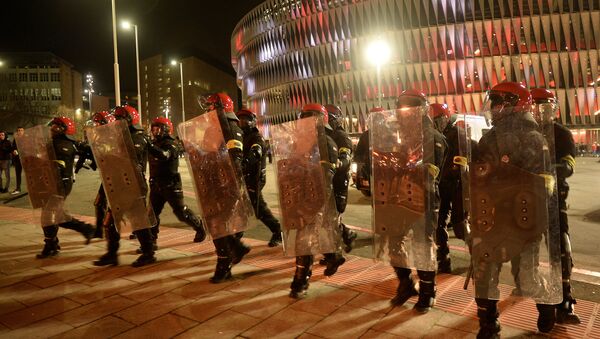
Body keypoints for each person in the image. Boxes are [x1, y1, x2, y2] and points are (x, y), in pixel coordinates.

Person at [471, 82, 558, 337]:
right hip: (493, 219)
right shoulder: (489, 139)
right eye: (494, 102)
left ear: (514, 105)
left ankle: (547, 304)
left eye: (498, 102)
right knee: (485, 275)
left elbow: (541, 185)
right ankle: (488, 324)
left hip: (523, 222)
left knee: (527, 280)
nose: (494, 108)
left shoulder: (533, 138)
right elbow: (479, 175)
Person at [377, 90, 446, 313]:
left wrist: (409, 168)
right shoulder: (399, 135)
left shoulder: (431, 136)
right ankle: (405, 283)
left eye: (408, 110)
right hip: (398, 196)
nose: (403, 115)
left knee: (422, 246)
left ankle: (428, 292)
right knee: (394, 240)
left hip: (422, 198)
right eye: (401, 110)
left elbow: (431, 171)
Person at [531, 88, 580, 324]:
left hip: (553, 197)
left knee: (560, 248)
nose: (541, 114)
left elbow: (568, 165)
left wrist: (549, 173)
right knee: (524, 250)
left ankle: (565, 297)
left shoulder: (561, 134)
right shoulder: (523, 134)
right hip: (525, 199)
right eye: (536, 108)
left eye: (546, 108)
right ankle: (530, 286)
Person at [289, 103, 344, 298]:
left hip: (316, 199)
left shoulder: (326, 142)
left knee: (304, 239)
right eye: (304, 117)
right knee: (311, 236)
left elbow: (325, 177)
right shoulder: (300, 142)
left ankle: (300, 281)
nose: (307, 121)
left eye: (311, 117)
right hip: (301, 196)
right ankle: (333, 256)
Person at [93, 105, 157, 267]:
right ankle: (111, 254)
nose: (116, 121)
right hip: (119, 183)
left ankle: (149, 253)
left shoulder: (138, 137)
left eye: (119, 118)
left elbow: (129, 160)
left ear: (129, 120)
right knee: (110, 221)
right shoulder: (119, 137)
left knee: (138, 221)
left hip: (133, 184)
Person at [202, 93, 251, 283]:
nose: (207, 110)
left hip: (226, 185)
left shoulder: (232, 128)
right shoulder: (211, 129)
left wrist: (230, 183)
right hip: (213, 184)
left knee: (218, 225)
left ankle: (224, 265)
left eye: (211, 107)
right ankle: (236, 249)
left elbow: (235, 158)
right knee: (216, 223)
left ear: (221, 108)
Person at [36, 117, 95, 258]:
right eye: (53, 126)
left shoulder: (72, 144)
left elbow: (91, 151)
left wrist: (94, 162)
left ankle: (51, 244)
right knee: (56, 215)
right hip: (49, 182)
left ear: (64, 129)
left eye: (56, 127)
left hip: (62, 184)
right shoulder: (48, 143)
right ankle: (84, 230)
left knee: (49, 215)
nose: (52, 129)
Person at [148, 116, 206, 246]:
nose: (155, 132)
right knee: (151, 215)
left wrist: (149, 145)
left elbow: (164, 155)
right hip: (156, 184)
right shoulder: (154, 144)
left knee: (181, 213)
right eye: (153, 129)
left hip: (170, 185)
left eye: (158, 129)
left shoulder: (172, 144)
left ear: (166, 130)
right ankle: (150, 243)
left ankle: (199, 226)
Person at [235, 108, 282, 247]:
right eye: (241, 119)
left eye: (246, 119)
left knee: (257, 208)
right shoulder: (240, 135)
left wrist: (246, 162)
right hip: (243, 177)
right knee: (242, 206)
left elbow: (256, 152)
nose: (243, 121)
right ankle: (237, 235)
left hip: (254, 178)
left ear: (253, 122)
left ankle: (277, 230)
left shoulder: (256, 137)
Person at [430, 103, 466, 273]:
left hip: (457, 187)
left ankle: (482, 256)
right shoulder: (435, 136)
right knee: (438, 225)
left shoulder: (457, 134)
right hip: (442, 186)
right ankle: (444, 260)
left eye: (436, 120)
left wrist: (456, 170)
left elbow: (463, 161)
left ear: (444, 118)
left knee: (460, 227)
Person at [324, 104, 358, 253]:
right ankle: (347, 234)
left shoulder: (341, 136)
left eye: (331, 119)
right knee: (327, 217)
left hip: (338, 180)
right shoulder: (322, 136)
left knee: (332, 216)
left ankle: (334, 252)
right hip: (325, 180)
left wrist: (338, 163)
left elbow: (346, 157)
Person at [10, 127, 24, 194]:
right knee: (18, 174)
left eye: (21, 130)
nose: (20, 131)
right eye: (18, 130)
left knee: (29, 174)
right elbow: (13, 147)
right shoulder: (15, 139)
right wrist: (14, 151)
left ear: (23, 131)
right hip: (17, 160)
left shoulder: (26, 139)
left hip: (25, 159)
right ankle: (18, 188)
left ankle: (32, 188)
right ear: (17, 132)